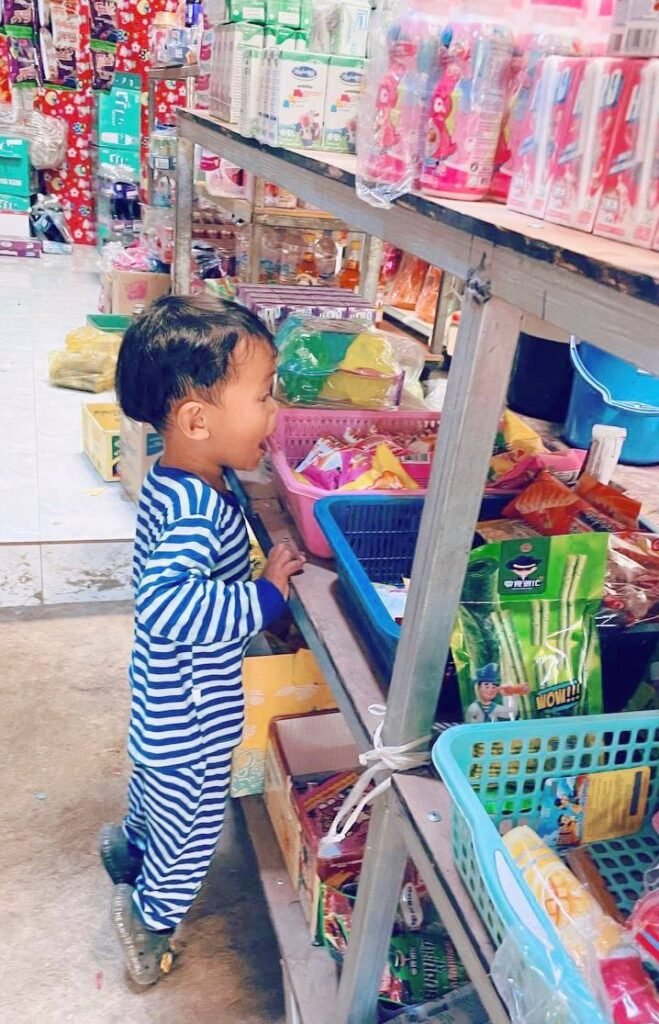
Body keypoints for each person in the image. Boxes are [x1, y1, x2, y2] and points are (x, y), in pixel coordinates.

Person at [100, 296, 305, 987]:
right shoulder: (195, 511)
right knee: (190, 828)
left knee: (154, 787)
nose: (275, 411)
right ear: (196, 420)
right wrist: (264, 597)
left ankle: (130, 847)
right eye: (264, 396)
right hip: (191, 715)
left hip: (160, 695)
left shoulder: (181, 477)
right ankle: (151, 919)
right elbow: (167, 603)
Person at [465, 663, 530, 723]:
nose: (490, 690)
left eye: (493, 687)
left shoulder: (493, 707)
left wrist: (509, 694)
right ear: (478, 688)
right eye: (487, 687)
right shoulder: (474, 708)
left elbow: (511, 713)